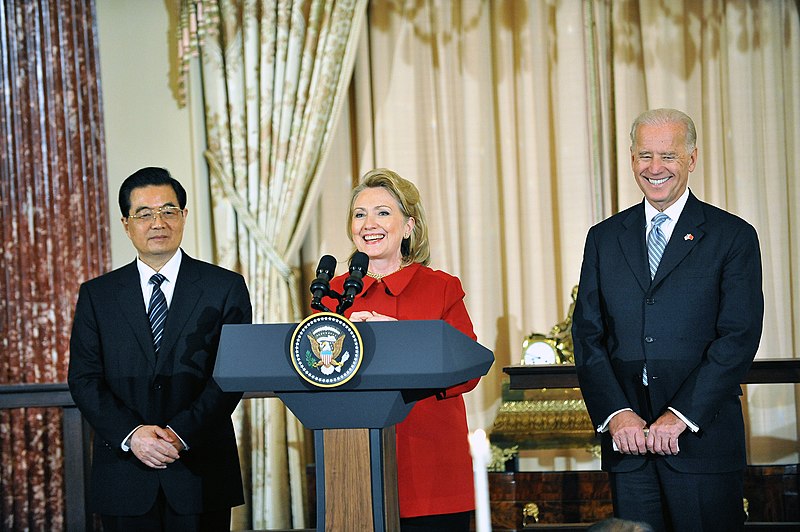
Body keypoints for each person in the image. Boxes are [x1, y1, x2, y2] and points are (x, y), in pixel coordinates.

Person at [572, 109, 764, 532]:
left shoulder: (732, 236)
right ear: (631, 158)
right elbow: (587, 335)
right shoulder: (603, 238)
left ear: (692, 159)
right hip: (629, 447)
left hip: (702, 442)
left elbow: (738, 337)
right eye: (645, 155)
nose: (654, 168)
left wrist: (680, 415)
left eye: (668, 156)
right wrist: (617, 413)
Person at [68, 167, 252, 531]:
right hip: (124, 474)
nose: (158, 222)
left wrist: (179, 435)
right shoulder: (97, 295)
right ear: (126, 223)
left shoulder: (224, 287)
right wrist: (133, 434)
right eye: (144, 214)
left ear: (183, 216)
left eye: (168, 211)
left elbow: (230, 375)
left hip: (201, 472)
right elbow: (85, 379)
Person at [320, 168, 479, 531]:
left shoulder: (440, 287)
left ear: (409, 225)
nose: (368, 224)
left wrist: (402, 339)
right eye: (359, 214)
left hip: (431, 463)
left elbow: (468, 366)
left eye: (382, 212)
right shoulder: (330, 294)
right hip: (353, 463)